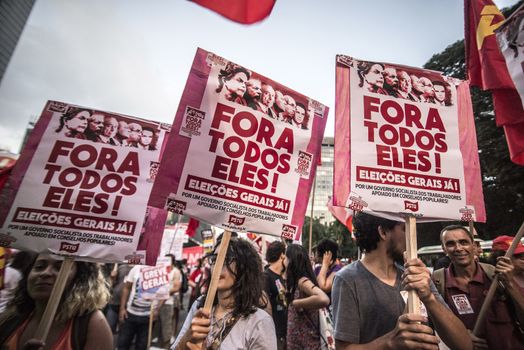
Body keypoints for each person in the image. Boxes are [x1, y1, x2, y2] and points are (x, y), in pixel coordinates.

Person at [332, 212, 472, 350]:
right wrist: (390, 342)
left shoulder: (416, 276)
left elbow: (464, 345)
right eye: (405, 228)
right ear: (383, 232)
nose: (413, 236)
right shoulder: (347, 280)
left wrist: (429, 298)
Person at [172, 237, 277, 349]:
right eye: (214, 259)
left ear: (244, 266)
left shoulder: (259, 322)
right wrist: (186, 340)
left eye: (227, 258)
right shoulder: (200, 305)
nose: (217, 265)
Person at [433, 226, 524, 349]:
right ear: (444, 249)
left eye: (463, 242)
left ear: (474, 246)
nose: (459, 248)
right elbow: (435, 326)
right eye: (450, 244)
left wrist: (510, 284)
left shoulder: (496, 275)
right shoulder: (437, 282)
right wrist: (461, 336)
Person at [0, 253, 112, 349]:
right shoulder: (11, 316)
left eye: (59, 268)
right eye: (39, 267)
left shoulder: (92, 324)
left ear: (79, 279)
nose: (45, 273)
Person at [285, 244, 330, 350]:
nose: (284, 260)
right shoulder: (296, 282)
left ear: (291, 261)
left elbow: (324, 299)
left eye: (286, 257)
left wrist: (297, 303)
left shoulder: (302, 281)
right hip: (301, 344)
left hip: (307, 344)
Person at [118, 264, 157, 350]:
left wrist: (157, 309)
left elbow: (164, 292)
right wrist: (122, 308)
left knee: (142, 346)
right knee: (123, 343)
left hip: (147, 316)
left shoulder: (158, 271)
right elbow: (126, 288)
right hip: (130, 314)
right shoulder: (136, 268)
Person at [264, 241, 288, 350]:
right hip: (273, 334)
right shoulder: (265, 277)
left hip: (285, 332)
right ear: (282, 255)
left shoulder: (282, 277)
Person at [156, 254, 182, 349]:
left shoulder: (175, 272)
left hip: (167, 303)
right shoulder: (161, 270)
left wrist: (163, 294)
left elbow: (176, 288)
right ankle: (159, 346)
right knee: (159, 328)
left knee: (166, 329)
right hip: (157, 302)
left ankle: (165, 347)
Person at [105, 263, 133, 333]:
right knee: (109, 328)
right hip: (114, 302)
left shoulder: (139, 269)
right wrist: (112, 277)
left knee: (124, 332)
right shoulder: (120, 266)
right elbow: (110, 284)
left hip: (128, 305)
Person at [314, 239, 342, 304]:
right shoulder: (317, 269)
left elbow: (324, 288)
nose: (317, 258)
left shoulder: (338, 270)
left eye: (320, 257)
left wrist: (325, 264)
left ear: (328, 256)